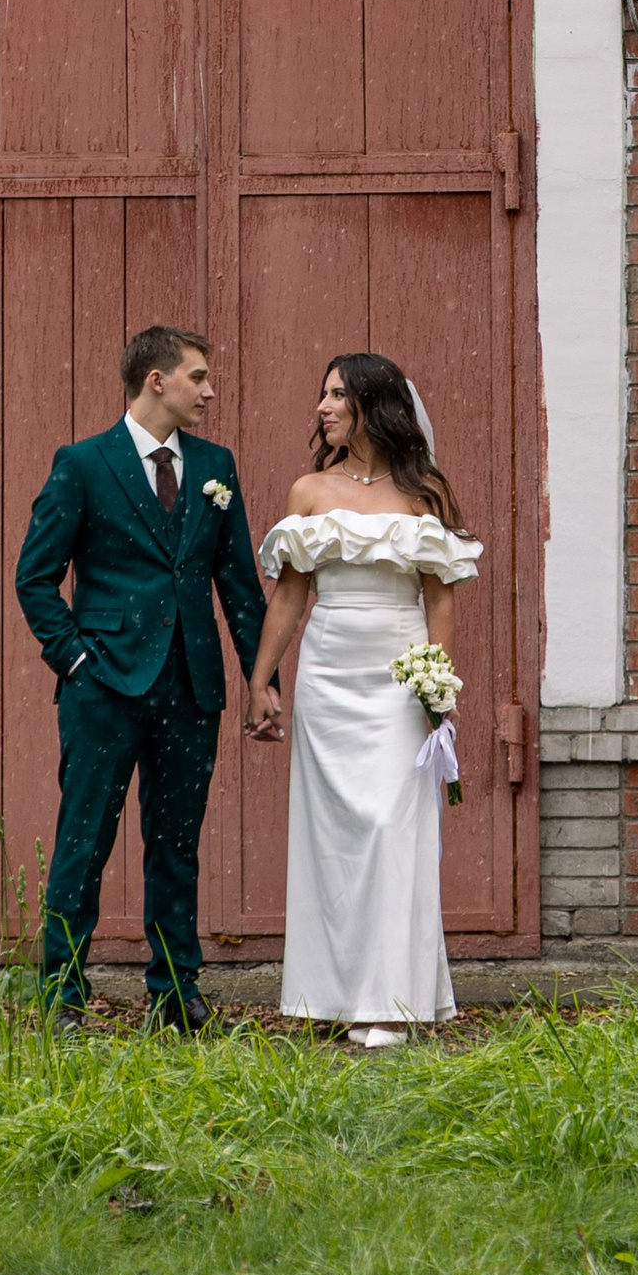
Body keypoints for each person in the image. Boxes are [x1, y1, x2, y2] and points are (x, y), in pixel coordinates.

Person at [12, 323, 267, 1030]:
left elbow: (239, 586)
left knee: (177, 845)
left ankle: (175, 994)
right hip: (103, 691)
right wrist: (75, 657)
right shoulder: (84, 464)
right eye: (198, 377)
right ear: (157, 380)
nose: (209, 391)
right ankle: (62, 997)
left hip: (190, 687)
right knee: (83, 840)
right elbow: (35, 578)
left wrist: (261, 677)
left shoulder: (216, 466)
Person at [246, 351, 483, 1041]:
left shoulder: (425, 495)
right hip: (328, 674)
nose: (322, 407)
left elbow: (440, 603)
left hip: (398, 672)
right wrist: (263, 679)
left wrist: (436, 686)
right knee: (333, 839)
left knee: (390, 830)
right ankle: (331, 997)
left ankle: (390, 1002)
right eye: (322, 394)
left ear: (373, 406)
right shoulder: (310, 493)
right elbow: (291, 596)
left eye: (337, 395)